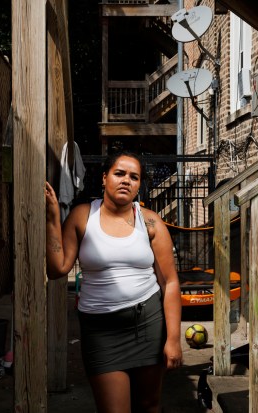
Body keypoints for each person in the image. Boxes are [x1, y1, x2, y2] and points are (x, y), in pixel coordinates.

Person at [45, 151, 183, 413]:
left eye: (134, 177)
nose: (126, 181)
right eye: (119, 174)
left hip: (147, 323)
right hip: (100, 330)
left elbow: (170, 283)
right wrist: (52, 219)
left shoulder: (151, 222)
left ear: (139, 185)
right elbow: (57, 269)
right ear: (105, 177)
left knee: (148, 405)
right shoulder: (83, 216)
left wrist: (173, 339)